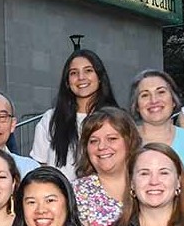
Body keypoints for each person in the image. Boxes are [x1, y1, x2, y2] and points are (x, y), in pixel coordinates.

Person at [30, 49, 119, 181]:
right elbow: (40, 165)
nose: (81, 77)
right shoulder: (51, 119)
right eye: (74, 73)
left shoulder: (116, 119)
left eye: (88, 70)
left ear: (99, 77)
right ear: (67, 81)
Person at [129, 70, 184, 181]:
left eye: (161, 92)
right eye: (145, 95)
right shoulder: (125, 143)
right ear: (137, 105)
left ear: (173, 101)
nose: (154, 100)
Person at [73, 107, 142, 226]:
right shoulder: (76, 192)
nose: (102, 146)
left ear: (129, 142)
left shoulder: (148, 185)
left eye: (111, 139)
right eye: (94, 141)